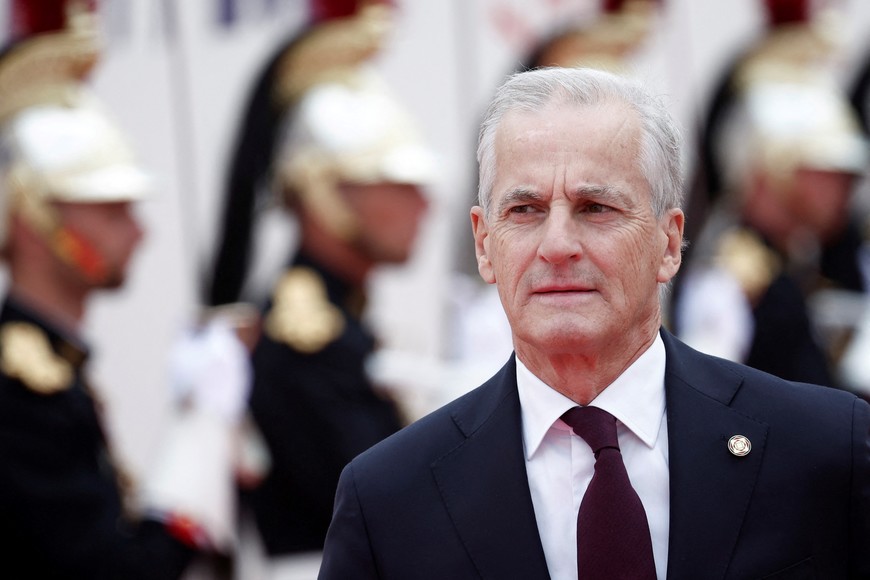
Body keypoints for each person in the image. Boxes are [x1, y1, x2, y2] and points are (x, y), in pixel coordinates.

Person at [318, 67, 870, 579]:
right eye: (525, 210)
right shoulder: (388, 500)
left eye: (596, 209)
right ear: (485, 245)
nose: (557, 246)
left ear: (669, 243)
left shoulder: (823, 449)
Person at [0, 2, 251, 578]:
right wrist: (199, 432)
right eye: (110, 211)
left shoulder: (52, 369)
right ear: (33, 218)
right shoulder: (21, 394)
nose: (138, 232)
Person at [206, 0, 437, 566]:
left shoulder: (340, 322)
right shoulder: (303, 338)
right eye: (390, 180)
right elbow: (392, 510)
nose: (422, 203)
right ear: (322, 190)